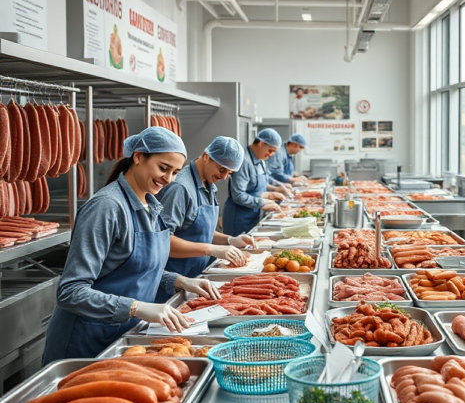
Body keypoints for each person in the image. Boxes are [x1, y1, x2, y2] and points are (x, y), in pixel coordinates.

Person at [42, 127, 220, 365]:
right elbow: (71, 292)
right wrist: (136, 307)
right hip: (86, 340)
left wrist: (180, 281)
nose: (168, 179)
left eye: (176, 172)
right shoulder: (106, 208)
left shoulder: (151, 206)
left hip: (121, 336)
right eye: (163, 168)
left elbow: (137, 269)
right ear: (138, 157)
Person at [156, 137, 254, 302]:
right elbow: (162, 241)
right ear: (207, 156)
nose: (224, 177)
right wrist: (211, 249)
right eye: (222, 170)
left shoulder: (208, 184)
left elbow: (198, 229)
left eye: (229, 173)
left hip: (196, 276)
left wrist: (230, 240)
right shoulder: (180, 188)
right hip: (172, 283)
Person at [222, 128, 285, 236]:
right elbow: (238, 195)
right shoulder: (244, 162)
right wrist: (262, 202)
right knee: (238, 249)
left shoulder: (260, 160)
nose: (271, 155)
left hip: (253, 214)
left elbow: (266, 178)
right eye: (270, 150)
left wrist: (278, 187)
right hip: (239, 218)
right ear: (261, 143)